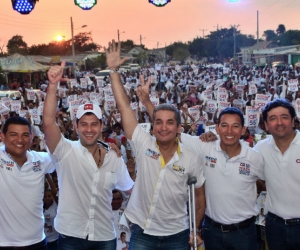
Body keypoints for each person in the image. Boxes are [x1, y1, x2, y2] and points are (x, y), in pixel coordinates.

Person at [137, 77, 264, 250]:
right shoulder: (205, 146)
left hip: (244, 232)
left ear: (243, 130)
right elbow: (169, 130)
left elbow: (268, 184)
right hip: (212, 231)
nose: (229, 131)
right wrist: (146, 102)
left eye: (235, 127)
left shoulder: (255, 157)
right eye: (224, 126)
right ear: (217, 129)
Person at [105, 39, 205, 250]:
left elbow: (199, 195)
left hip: (177, 234)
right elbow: (124, 108)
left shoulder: (191, 157)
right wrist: (113, 71)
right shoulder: (143, 143)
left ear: (179, 128)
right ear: (152, 126)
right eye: (158, 122)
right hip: (143, 231)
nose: (164, 127)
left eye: (170, 122)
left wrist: (195, 230)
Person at [43, 61, 134, 250]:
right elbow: (49, 122)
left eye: (94, 124)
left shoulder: (114, 158)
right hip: (71, 236)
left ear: (102, 126)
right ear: (76, 127)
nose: (89, 129)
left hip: (104, 236)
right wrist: (53, 86)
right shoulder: (65, 151)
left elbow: (131, 190)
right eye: (83, 124)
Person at [0, 116, 55, 249]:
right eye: (13, 134)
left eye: (25, 135)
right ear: (2, 136)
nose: (19, 140)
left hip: (37, 243)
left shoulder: (41, 160)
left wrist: (105, 147)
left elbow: (71, 154)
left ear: (31, 137)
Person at [255, 98, 300, 250]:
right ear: (266, 125)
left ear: (293, 121)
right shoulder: (260, 149)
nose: (279, 122)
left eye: (284, 117)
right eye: (273, 118)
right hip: (275, 226)